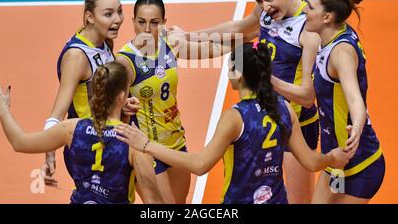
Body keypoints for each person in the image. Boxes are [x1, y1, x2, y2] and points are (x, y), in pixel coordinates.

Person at [115, 42, 351, 204]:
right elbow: (311, 161)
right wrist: (333, 157)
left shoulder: (235, 117)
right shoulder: (284, 109)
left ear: (238, 74)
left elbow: (199, 164)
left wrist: (146, 144)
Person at [169, 0, 321, 203]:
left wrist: (265, 78)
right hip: (262, 117)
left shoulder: (307, 26)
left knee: (298, 200)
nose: (265, 7)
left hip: (295, 121)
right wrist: (190, 36)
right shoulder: (265, 11)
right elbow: (239, 28)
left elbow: (306, 97)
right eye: (259, 1)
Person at [0, 62, 163, 204]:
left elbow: (20, 142)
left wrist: (3, 110)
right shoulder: (135, 142)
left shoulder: (72, 128)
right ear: (122, 96)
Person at [116, 0, 230, 203]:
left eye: (154, 23)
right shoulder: (125, 61)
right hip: (145, 148)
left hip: (176, 143)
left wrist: (244, 42)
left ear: (164, 23)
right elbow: (111, 109)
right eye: (141, 22)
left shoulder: (170, 44)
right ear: (133, 22)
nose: (147, 29)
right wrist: (124, 107)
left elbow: (212, 48)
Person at [43, 0, 140, 187]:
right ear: (90, 17)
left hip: (111, 141)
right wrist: (49, 152)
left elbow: (99, 95)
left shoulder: (103, 43)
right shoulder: (77, 57)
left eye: (119, 11)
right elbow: (57, 113)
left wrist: (123, 106)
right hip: (89, 150)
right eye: (108, 14)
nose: (118, 19)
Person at [304, 0, 385, 203]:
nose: (304, 10)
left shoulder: (341, 54)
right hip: (336, 163)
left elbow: (354, 98)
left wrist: (357, 127)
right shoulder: (330, 35)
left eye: (310, 7)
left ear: (327, 17)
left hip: (361, 167)